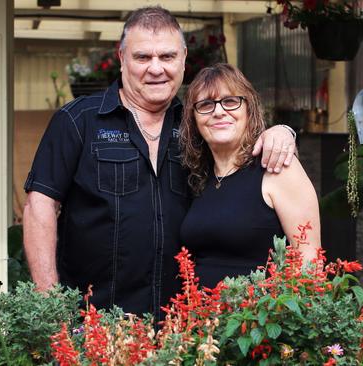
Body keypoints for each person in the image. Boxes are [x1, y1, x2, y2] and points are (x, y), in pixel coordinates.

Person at [22, 6, 297, 320]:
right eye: (143, 57)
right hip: (95, 324)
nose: (156, 69)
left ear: (182, 58)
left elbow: (242, 148)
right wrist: (51, 308)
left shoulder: (198, 124)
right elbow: (40, 205)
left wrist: (282, 132)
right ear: (122, 57)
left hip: (181, 326)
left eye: (166, 57)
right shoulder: (79, 121)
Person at [179, 63, 321, 289]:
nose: (218, 111)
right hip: (200, 319)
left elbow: (309, 261)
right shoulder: (198, 176)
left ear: (249, 110)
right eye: (205, 105)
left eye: (230, 101)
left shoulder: (278, 168)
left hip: (258, 320)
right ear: (193, 120)